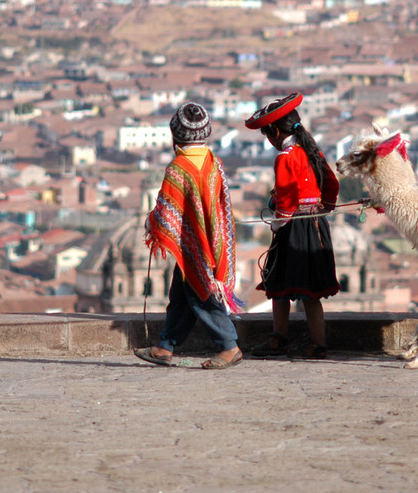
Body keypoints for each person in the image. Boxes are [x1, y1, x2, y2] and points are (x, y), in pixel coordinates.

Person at [136, 102, 243, 369]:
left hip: (193, 245)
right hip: (211, 241)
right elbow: (220, 205)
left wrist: (152, 221)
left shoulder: (178, 168)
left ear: (176, 135)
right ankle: (165, 346)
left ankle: (229, 346)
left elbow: (166, 213)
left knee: (201, 295)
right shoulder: (213, 163)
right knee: (181, 295)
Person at [245, 93, 340, 359]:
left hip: (293, 230)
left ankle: (280, 338)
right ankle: (317, 344)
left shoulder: (286, 158)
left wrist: (276, 225)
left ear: (275, 131)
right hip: (316, 227)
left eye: (267, 135)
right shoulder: (313, 152)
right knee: (310, 292)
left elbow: (286, 201)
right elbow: (332, 184)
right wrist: (325, 207)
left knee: (279, 285)